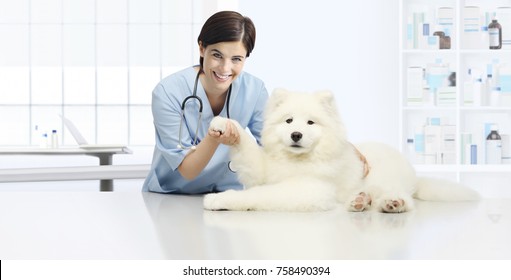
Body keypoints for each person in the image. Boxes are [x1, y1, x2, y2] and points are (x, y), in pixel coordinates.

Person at [143, 11, 268, 194]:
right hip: (173, 195)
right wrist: (213, 138)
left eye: (236, 59)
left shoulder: (254, 90)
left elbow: (273, 145)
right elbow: (187, 169)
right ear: (202, 48)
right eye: (217, 55)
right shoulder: (168, 92)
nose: (225, 68)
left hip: (226, 194)